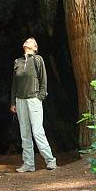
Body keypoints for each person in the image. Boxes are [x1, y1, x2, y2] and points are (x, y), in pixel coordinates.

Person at [10, 37, 57, 172]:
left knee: (37, 131)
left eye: (30, 41)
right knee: (24, 132)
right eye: (26, 40)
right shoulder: (17, 62)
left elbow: (44, 80)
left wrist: (40, 97)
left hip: (33, 99)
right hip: (20, 100)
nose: (26, 41)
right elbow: (14, 84)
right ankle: (29, 164)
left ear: (35, 48)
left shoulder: (38, 60)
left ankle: (50, 160)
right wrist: (13, 102)